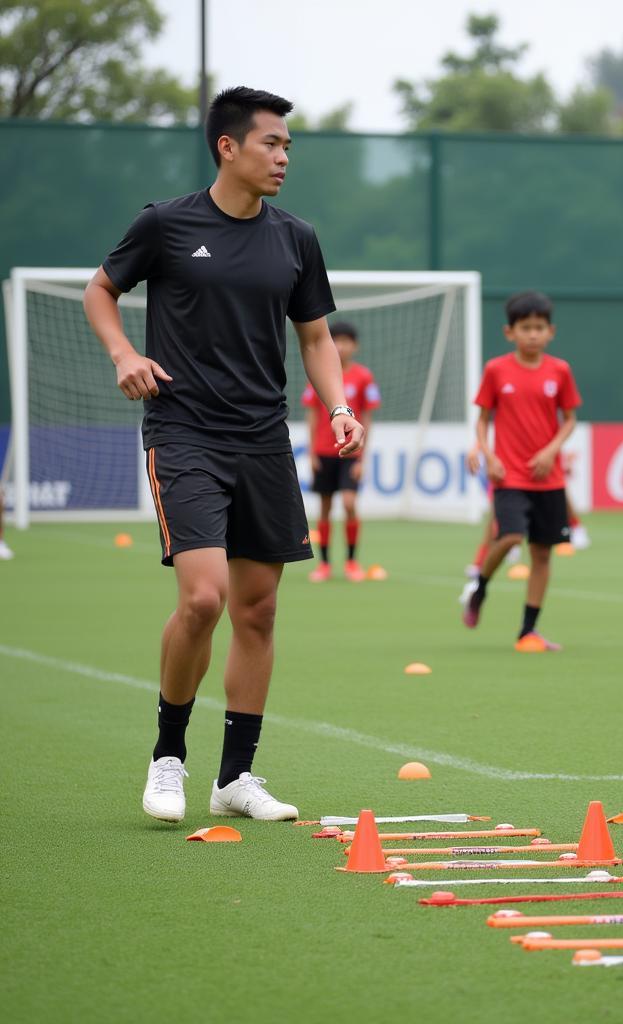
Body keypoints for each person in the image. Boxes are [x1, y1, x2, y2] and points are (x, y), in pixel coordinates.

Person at [83, 87, 364, 825]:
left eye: (288, 147)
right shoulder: (167, 224)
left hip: (263, 438)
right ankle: (168, 758)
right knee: (203, 598)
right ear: (227, 147)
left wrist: (337, 405)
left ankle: (235, 778)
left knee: (259, 610)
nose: (282, 157)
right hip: (182, 432)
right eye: (271, 144)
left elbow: (313, 338)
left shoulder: (296, 238)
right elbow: (101, 290)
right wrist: (123, 354)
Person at [462, 291, 581, 651]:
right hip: (508, 476)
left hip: (549, 479)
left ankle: (528, 630)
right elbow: (482, 420)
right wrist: (484, 452)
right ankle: (480, 586)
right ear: (509, 332)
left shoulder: (559, 371)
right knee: (511, 537)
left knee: (542, 555)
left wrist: (551, 450)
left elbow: (570, 419)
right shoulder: (496, 370)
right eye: (525, 328)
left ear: (551, 331)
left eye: (539, 327)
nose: (533, 334)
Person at [303, 320, 380, 582]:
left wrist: (363, 457)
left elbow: (367, 418)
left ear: (355, 346)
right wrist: (311, 452)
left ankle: (351, 562)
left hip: (351, 452)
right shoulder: (321, 374)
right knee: (324, 507)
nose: (341, 346)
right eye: (336, 341)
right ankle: (324, 564)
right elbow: (312, 415)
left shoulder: (363, 377)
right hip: (324, 451)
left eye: (346, 341)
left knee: (349, 504)